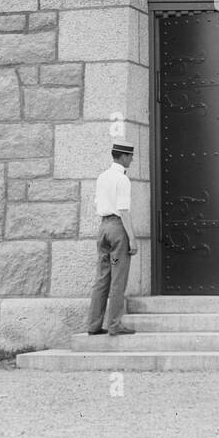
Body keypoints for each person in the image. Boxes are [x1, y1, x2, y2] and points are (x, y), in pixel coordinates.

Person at [88, 142, 138, 337]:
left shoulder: (102, 177)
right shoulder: (122, 179)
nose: (132, 160)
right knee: (118, 278)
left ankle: (93, 324)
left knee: (102, 278)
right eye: (130, 156)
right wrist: (132, 239)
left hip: (104, 229)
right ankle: (115, 324)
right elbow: (124, 211)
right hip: (118, 229)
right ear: (124, 156)